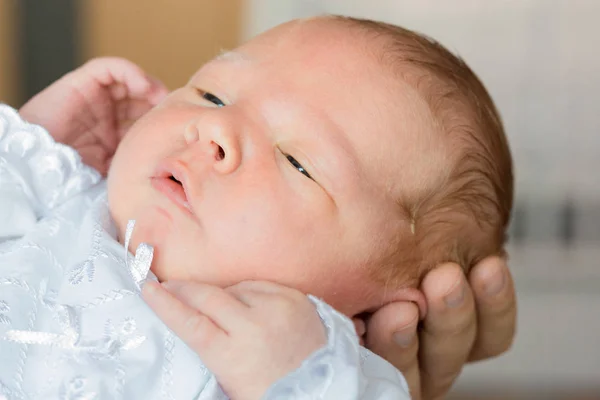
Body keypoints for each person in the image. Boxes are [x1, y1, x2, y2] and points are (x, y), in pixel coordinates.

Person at [0, 15, 517, 399]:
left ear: (368, 310)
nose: (217, 129)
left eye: (297, 162)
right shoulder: (63, 200)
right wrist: (28, 145)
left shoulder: (303, 363)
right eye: (213, 94)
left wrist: (305, 380)